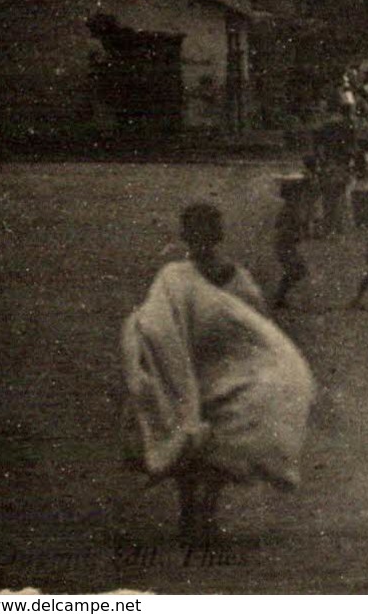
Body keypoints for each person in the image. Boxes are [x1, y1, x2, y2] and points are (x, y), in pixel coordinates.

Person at [121, 203, 314, 548]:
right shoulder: (185, 276)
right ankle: (197, 516)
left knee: (206, 442)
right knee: (201, 441)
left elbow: (252, 322)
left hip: (213, 368)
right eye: (198, 233)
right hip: (198, 366)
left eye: (203, 233)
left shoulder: (203, 276)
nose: (201, 241)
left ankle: (199, 515)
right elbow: (159, 322)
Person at [270, 179, 308, 309]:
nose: (300, 196)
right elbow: (282, 228)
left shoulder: (290, 209)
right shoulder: (289, 210)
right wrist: (294, 235)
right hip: (284, 245)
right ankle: (278, 298)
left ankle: (279, 297)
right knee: (297, 270)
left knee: (297, 270)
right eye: (298, 194)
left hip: (286, 245)